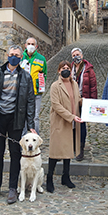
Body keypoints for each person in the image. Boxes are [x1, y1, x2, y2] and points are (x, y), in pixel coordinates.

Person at [0, 45, 36, 204]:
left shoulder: (26, 77)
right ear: (7, 55)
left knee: (15, 153)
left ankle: (12, 188)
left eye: (17, 55)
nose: (14, 57)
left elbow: (30, 102)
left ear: (21, 57)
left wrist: (30, 124)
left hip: (16, 120)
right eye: (11, 54)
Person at [47, 61, 82, 193]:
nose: (66, 70)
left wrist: (93, 105)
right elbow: (56, 105)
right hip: (60, 121)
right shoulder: (55, 86)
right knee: (55, 152)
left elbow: (78, 100)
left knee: (68, 150)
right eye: (63, 68)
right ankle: (49, 177)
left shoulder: (74, 84)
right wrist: (71, 116)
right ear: (58, 71)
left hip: (72, 121)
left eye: (68, 68)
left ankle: (65, 177)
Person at [70, 47, 97, 161]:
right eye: (74, 55)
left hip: (84, 100)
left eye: (78, 54)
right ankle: (73, 145)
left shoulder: (88, 69)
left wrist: (93, 102)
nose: (76, 56)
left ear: (82, 55)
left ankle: (80, 148)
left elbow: (93, 86)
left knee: (81, 125)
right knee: (71, 123)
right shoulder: (70, 68)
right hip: (71, 100)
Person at [20, 37, 47, 135]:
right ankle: (23, 139)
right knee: (23, 116)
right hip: (22, 93)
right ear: (25, 45)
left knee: (35, 116)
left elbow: (44, 74)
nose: (30, 46)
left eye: (33, 44)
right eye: (29, 43)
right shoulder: (20, 57)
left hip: (36, 93)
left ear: (36, 46)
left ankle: (36, 140)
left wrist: (40, 84)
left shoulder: (41, 59)